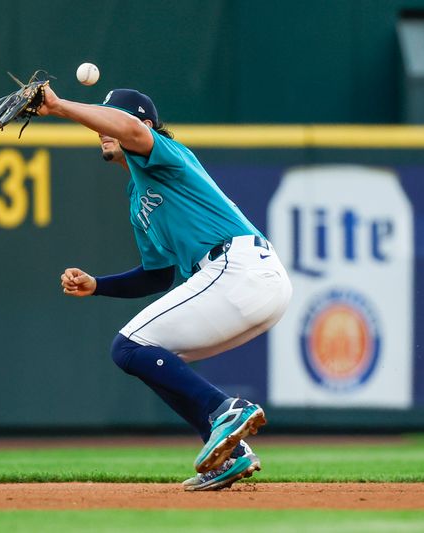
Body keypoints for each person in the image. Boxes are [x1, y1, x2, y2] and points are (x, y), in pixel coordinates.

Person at [37, 85, 293, 491]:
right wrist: (98, 285)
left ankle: (225, 409)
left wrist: (59, 107)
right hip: (248, 280)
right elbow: (158, 276)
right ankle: (231, 453)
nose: (102, 129)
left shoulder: (164, 154)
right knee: (148, 356)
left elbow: (130, 129)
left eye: (112, 118)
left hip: (238, 267)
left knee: (128, 347)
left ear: (144, 125)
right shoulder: (138, 196)